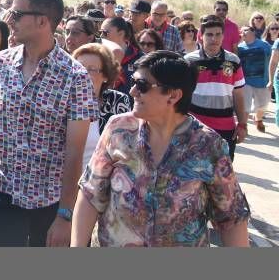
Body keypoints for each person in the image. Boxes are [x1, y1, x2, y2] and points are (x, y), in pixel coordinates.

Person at [71, 51, 250, 247]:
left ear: (173, 95)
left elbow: (232, 218)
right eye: (133, 82)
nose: (132, 92)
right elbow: (90, 194)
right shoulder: (119, 129)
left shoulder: (208, 145)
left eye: (142, 85)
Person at [0, 0, 97, 247]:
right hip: (2, 191)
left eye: (17, 14)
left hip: (49, 202)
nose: (10, 20)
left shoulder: (75, 77)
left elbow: (75, 153)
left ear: (43, 21)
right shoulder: (1, 62)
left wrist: (66, 215)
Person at [185, 16, 247, 159]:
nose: (214, 38)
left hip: (225, 128)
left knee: (222, 174)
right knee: (192, 173)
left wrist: (242, 124)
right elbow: (182, 93)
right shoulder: (189, 61)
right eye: (209, 34)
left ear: (223, 36)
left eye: (218, 34)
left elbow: (238, 95)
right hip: (195, 127)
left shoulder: (233, 61)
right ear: (200, 36)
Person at [71, 44, 131, 167]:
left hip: (101, 181)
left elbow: (126, 150)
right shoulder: (60, 100)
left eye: (91, 69)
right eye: (78, 67)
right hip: (61, 180)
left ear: (105, 75)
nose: (83, 73)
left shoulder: (117, 101)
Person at [237, 25, 272, 133]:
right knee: (245, 106)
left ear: (253, 32)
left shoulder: (265, 45)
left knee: (263, 105)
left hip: (262, 81)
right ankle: (244, 125)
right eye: (241, 31)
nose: (242, 33)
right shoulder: (239, 47)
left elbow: (272, 61)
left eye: (245, 30)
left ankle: (258, 118)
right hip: (245, 82)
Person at [100, 16, 142, 93]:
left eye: (105, 32)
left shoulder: (139, 58)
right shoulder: (99, 56)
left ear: (121, 33)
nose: (101, 36)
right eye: (100, 32)